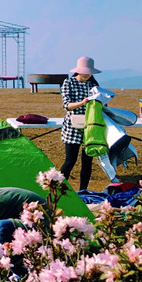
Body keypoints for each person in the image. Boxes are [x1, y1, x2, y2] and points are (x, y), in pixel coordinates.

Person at [60, 56, 101, 192]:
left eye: (89, 73)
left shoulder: (93, 85)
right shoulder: (69, 82)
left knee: (87, 162)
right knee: (70, 160)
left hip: (89, 126)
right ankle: (59, 189)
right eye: (84, 72)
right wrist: (83, 102)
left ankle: (83, 190)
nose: (87, 75)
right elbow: (67, 105)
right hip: (72, 126)